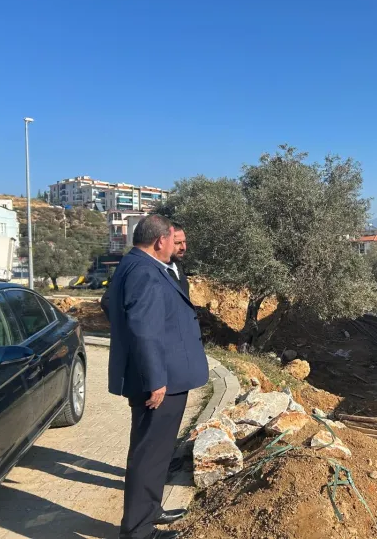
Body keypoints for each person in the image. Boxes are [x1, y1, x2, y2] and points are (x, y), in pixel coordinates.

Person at [108, 214, 209, 539]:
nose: (175, 246)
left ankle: (150, 511)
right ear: (160, 240)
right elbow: (144, 330)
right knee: (149, 454)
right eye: (171, 239)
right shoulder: (145, 271)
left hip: (164, 376)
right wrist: (155, 379)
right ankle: (138, 530)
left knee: (157, 452)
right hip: (159, 381)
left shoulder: (135, 264)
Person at [100, 223, 189, 319]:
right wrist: (139, 325)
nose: (183, 247)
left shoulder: (177, 268)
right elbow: (108, 301)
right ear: (161, 242)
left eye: (184, 242)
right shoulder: (143, 269)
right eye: (177, 243)